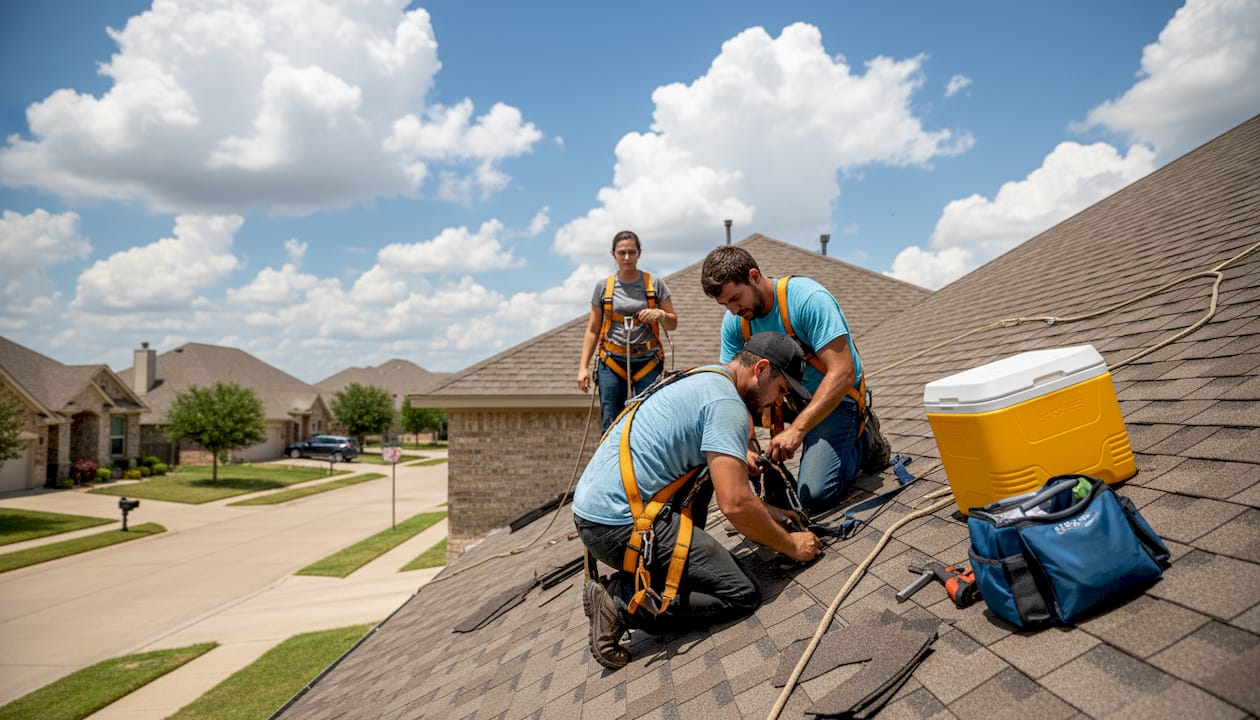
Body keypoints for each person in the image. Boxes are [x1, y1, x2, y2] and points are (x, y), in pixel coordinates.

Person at [574, 332, 823, 669]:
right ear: (761, 369)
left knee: (708, 470)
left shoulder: (706, 376)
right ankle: (618, 603)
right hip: (618, 524)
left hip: (600, 509)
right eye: (779, 390)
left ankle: (665, 568)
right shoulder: (726, 406)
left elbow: (731, 490)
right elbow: (734, 505)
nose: (775, 403)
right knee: (741, 592)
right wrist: (791, 546)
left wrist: (773, 514)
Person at [700, 245, 891, 512]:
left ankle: (866, 441)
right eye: (725, 304)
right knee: (712, 427)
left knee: (815, 495)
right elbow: (730, 389)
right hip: (786, 398)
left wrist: (797, 431)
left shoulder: (807, 299)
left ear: (754, 276)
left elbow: (843, 372)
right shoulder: (736, 322)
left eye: (735, 298)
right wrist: (748, 445)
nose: (733, 310)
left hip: (835, 397)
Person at [577, 230, 679, 432]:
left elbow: (673, 323)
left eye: (631, 252)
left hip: (648, 360)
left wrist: (659, 314)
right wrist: (583, 367)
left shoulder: (654, 284)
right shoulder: (603, 287)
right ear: (613, 254)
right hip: (612, 360)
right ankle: (613, 462)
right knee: (611, 422)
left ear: (639, 253)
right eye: (622, 253)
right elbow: (593, 330)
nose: (627, 258)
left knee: (650, 418)